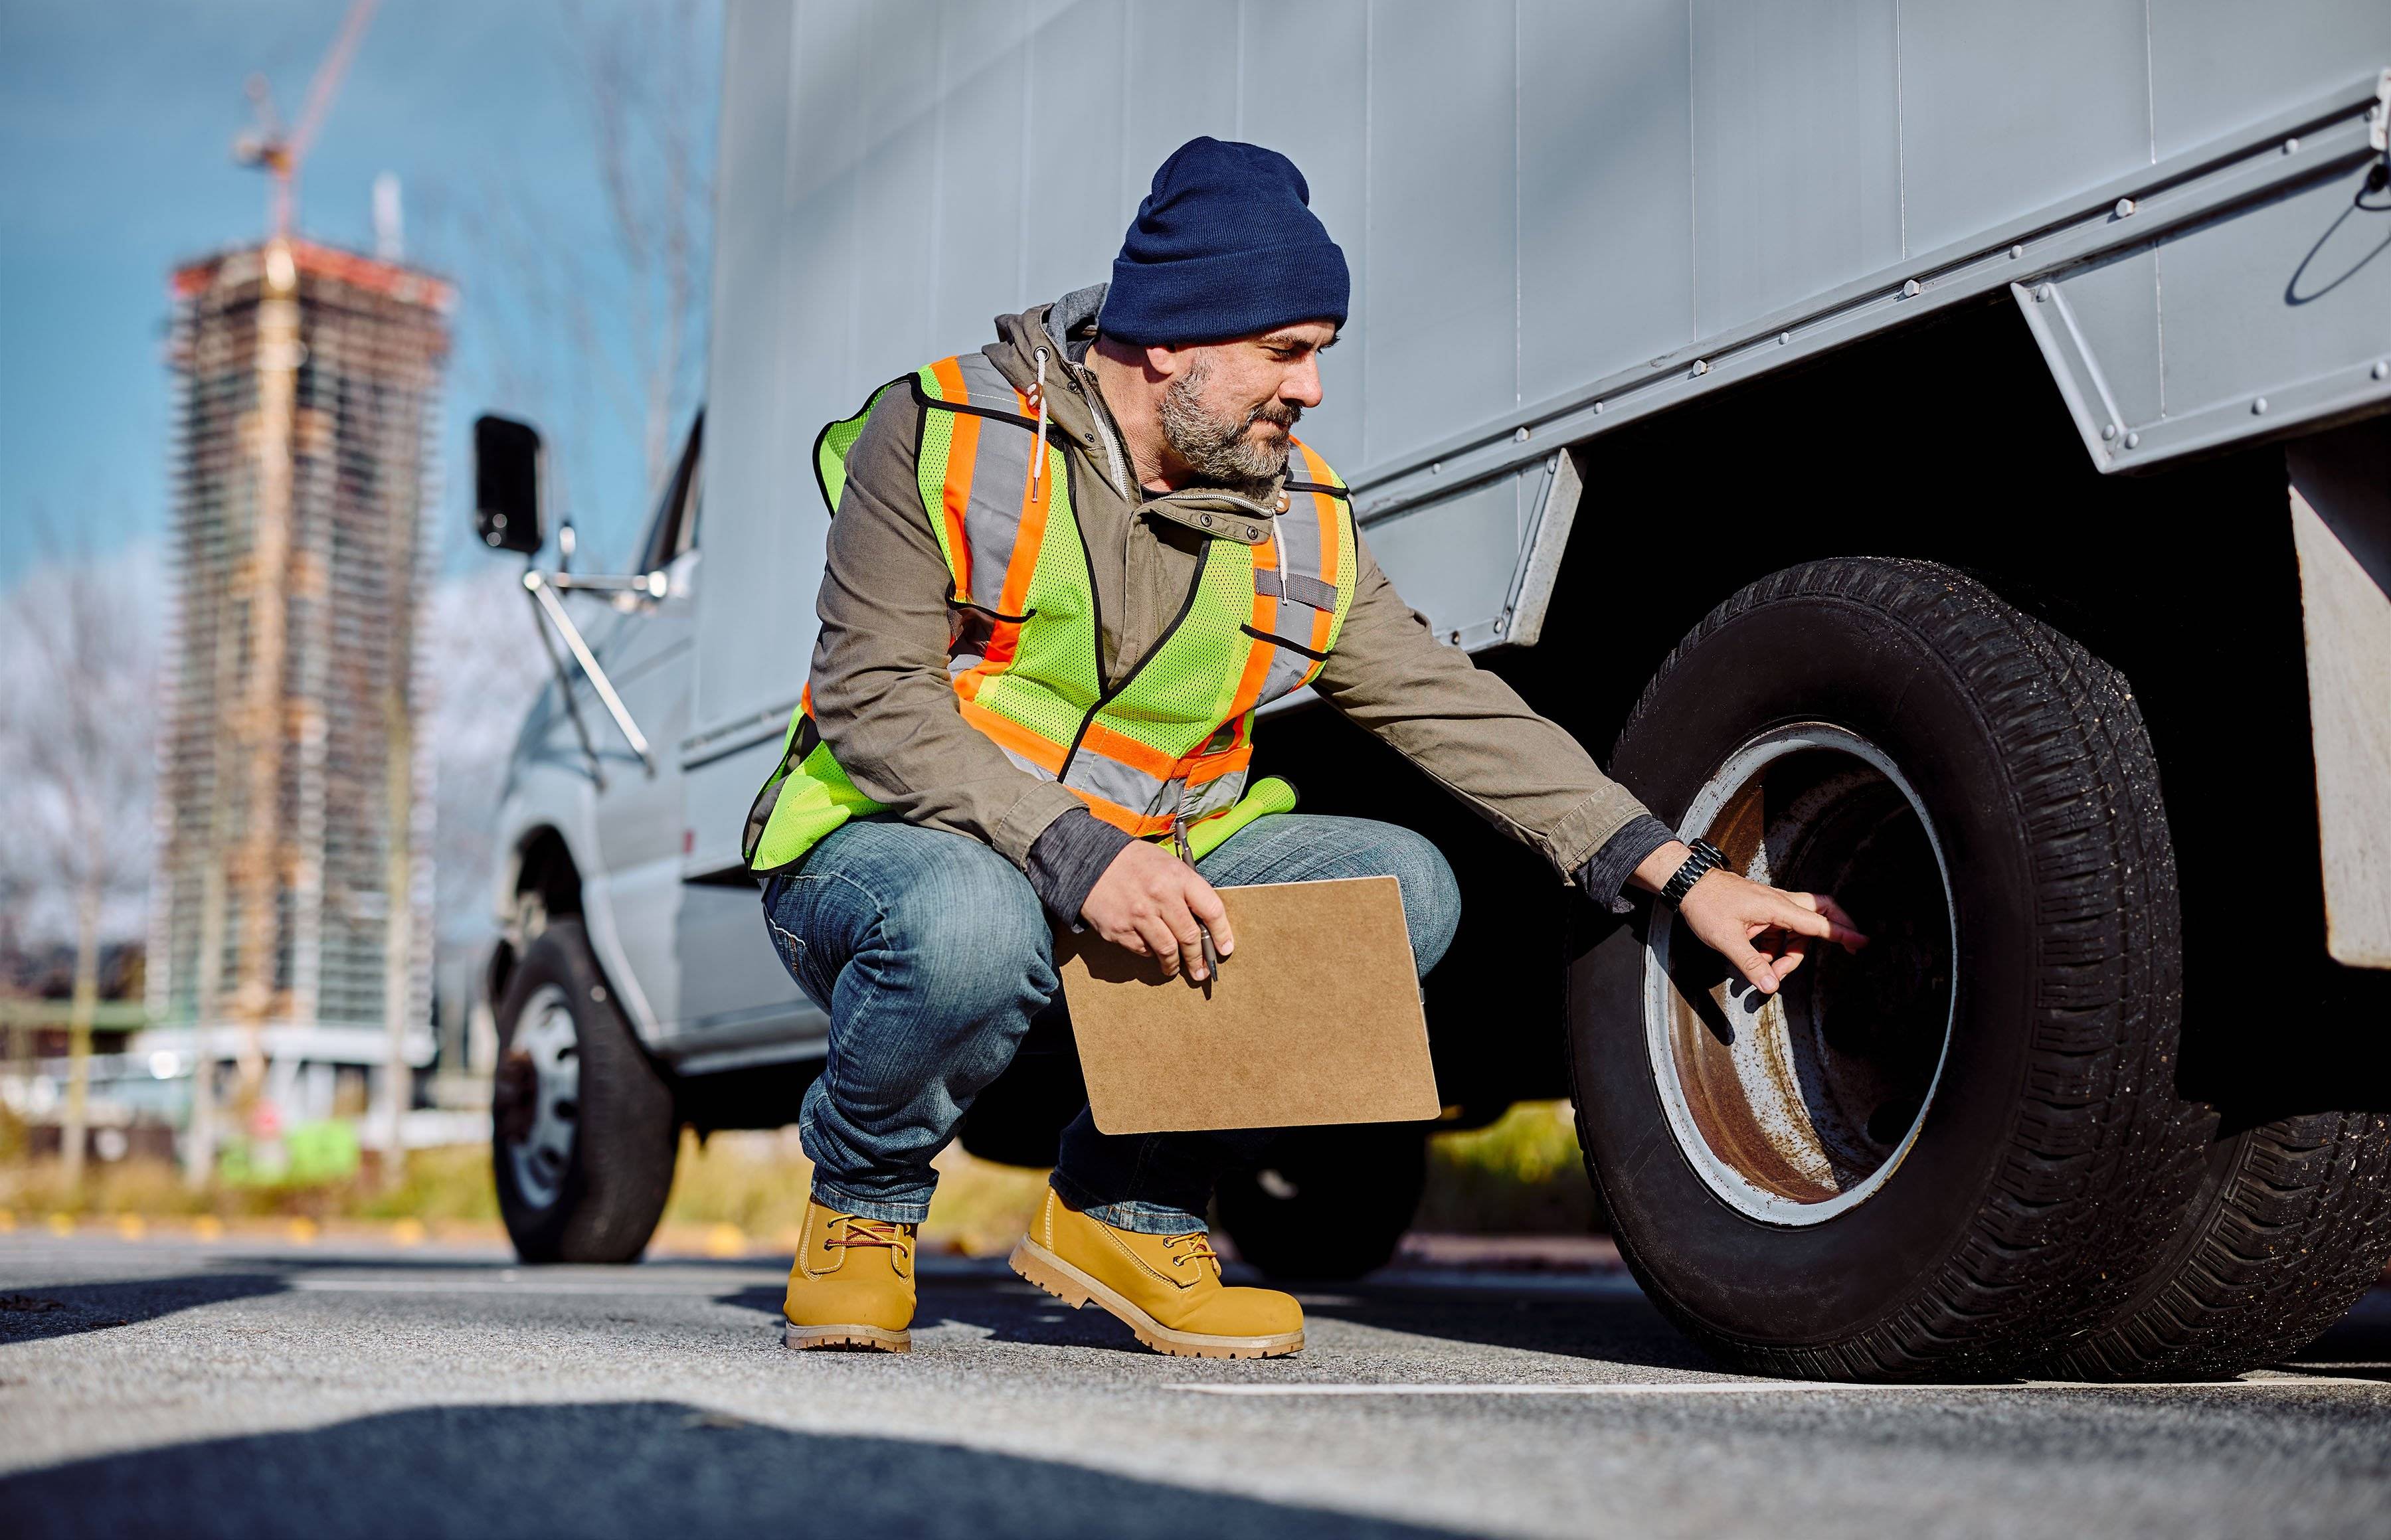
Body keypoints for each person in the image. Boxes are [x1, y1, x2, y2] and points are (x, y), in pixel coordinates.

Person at [744, 137, 1863, 1359]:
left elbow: (1455, 708)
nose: (1313, 390)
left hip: (1137, 864)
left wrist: (1680, 874)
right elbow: (875, 698)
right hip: (893, 856)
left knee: (1394, 893)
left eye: (1322, 354)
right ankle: (862, 1206)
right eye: (1286, 353)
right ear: (1170, 340)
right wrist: (1076, 854)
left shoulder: (1299, 518)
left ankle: (1128, 1211)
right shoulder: (943, 433)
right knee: (968, 925)